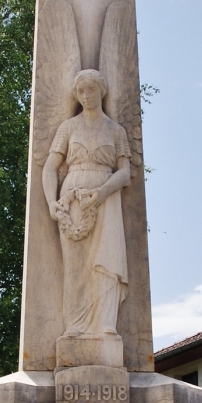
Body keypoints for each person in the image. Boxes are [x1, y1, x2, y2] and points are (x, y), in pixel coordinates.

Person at [42, 69, 130, 339]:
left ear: (101, 91)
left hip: (107, 196)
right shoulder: (68, 128)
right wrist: (52, 203)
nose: (86, 95)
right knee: (76, 265)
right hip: (73, 198)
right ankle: (76, 325)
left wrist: (102, 192)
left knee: (107, 258)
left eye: (91, 89)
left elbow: (125, 172)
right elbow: (49, 168)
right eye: (81, 91)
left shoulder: (116, 131)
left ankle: (106, 324)